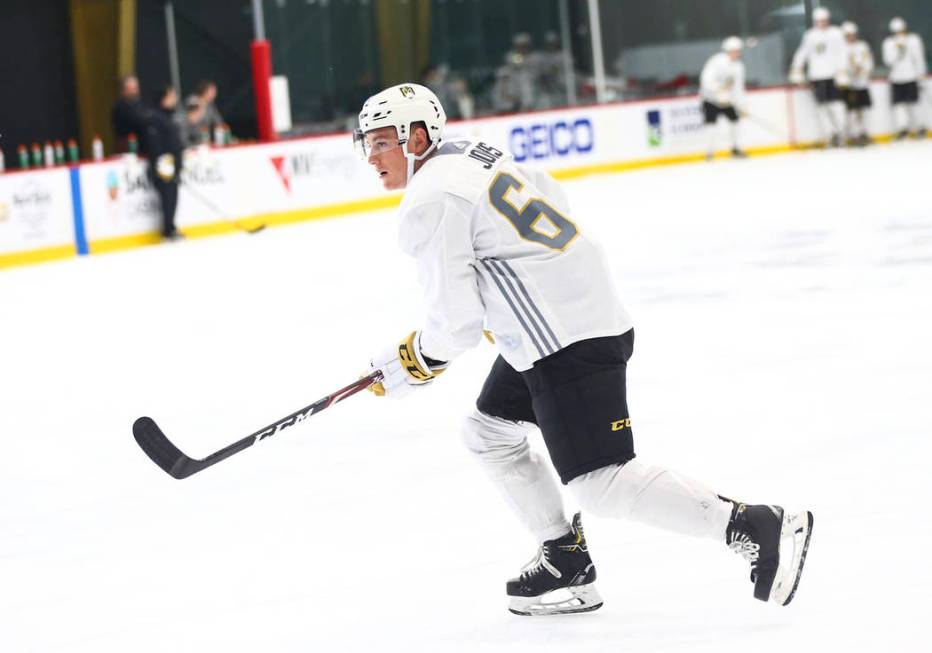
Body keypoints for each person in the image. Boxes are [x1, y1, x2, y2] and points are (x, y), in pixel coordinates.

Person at [354, 83, 814, 616]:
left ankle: (755, 526)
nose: (372, 156)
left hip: (564, 339)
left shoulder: (430, 198)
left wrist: (407, 363)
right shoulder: (472, 153)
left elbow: (453, 327)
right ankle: (564, 559)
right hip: (575, 319)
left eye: (383, 142)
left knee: (601, 482)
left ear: (416, 138)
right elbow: (550, 195)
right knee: (489, 431)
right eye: (367, 143)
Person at [789, 7, 847, 147]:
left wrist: (842, 72)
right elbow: (802, 52)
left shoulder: (836, 33)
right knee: (822, 107)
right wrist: (796, 69)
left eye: (824, 20)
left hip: (834, 76)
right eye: (819, 21)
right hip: (817, 76)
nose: (822, 23)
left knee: (837, 106)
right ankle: (830, 135)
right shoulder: (810, 35)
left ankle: (841, 134)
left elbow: (842, 52)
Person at [142, 85, 184, 241]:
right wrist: (164, 164)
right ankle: (168, 229)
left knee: (172, 196)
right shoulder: (155, 118)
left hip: (172, 164)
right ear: (164, 98)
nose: (175, 99)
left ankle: (170, 226)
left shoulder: (168, 117)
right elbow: (155, 145)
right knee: (167, 196)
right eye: (172, 96)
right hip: (163, 165)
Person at [699, 37, 748, 160]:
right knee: (711, 125)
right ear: (728, 50)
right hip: (711, 99)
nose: (737, 53)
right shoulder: (716, 61)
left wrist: (741, 105)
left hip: (727, 101)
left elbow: (738, 88)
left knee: (735, 121)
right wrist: (717, 92)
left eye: (738, 50)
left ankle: (735, 148)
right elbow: (706, 79)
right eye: (735, 50)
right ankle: (709, 152)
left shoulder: (739, 67)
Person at [882, 17, 928, 139]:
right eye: (897, 31)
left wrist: (921, 76)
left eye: (901, 30)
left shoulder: (913, 40)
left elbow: (919, 59)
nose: (899, 33)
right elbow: (888, 61)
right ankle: (903, 129)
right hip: (896, 78)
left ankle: (920, 127)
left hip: (911, 76)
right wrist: (898, 51)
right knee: (899, 105)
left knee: (914, 104)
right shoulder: (888, 43)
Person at [840, 21, 874, 146]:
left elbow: (868, 61)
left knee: (862, 110)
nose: (851, 36)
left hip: (862, 83)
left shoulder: (862, 46)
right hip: (849, 85)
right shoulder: (841, 48)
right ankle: (854, 135)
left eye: (853, 34)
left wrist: (863, 70)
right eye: (848, 34)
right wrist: (850, 71)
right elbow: (840, 66)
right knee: (852, 111)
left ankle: (863, 133)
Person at [111, 74, 146, 153]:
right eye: (130, 89)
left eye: (135, 88)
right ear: (123, 91)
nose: (134, 92)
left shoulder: (141, 104)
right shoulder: (120, 107)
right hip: (128, 148)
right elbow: (135, 122)